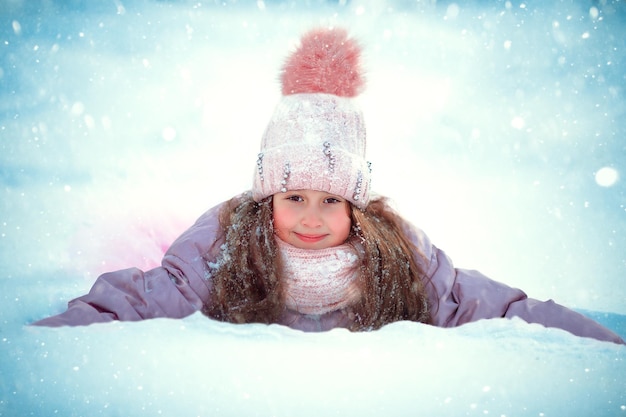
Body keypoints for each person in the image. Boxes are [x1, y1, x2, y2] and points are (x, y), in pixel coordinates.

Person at [33, 27, 624, 344]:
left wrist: (597, 346)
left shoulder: (399, 259)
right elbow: (140, 298)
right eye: (294, 198)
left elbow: (494, 305)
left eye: (330, 201)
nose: (310, 218)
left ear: (357, 208)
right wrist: (45, 343)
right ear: (269, 199)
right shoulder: (223, 249)